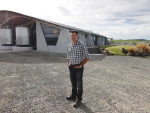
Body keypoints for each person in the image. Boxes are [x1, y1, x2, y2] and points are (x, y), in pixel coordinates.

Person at [66, 30, 90, 107]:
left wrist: (80, 65)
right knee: (73, 82)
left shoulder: (82, 45)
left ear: (77, 36)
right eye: (71, 35)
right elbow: (68, 57)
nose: (73, 37)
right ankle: (73, 95)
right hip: (71, 67)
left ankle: (78, 99)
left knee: (79, 84)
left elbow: (87, 57)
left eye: (74, 35)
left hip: (78, 67)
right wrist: (68, 63)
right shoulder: (69, 46)